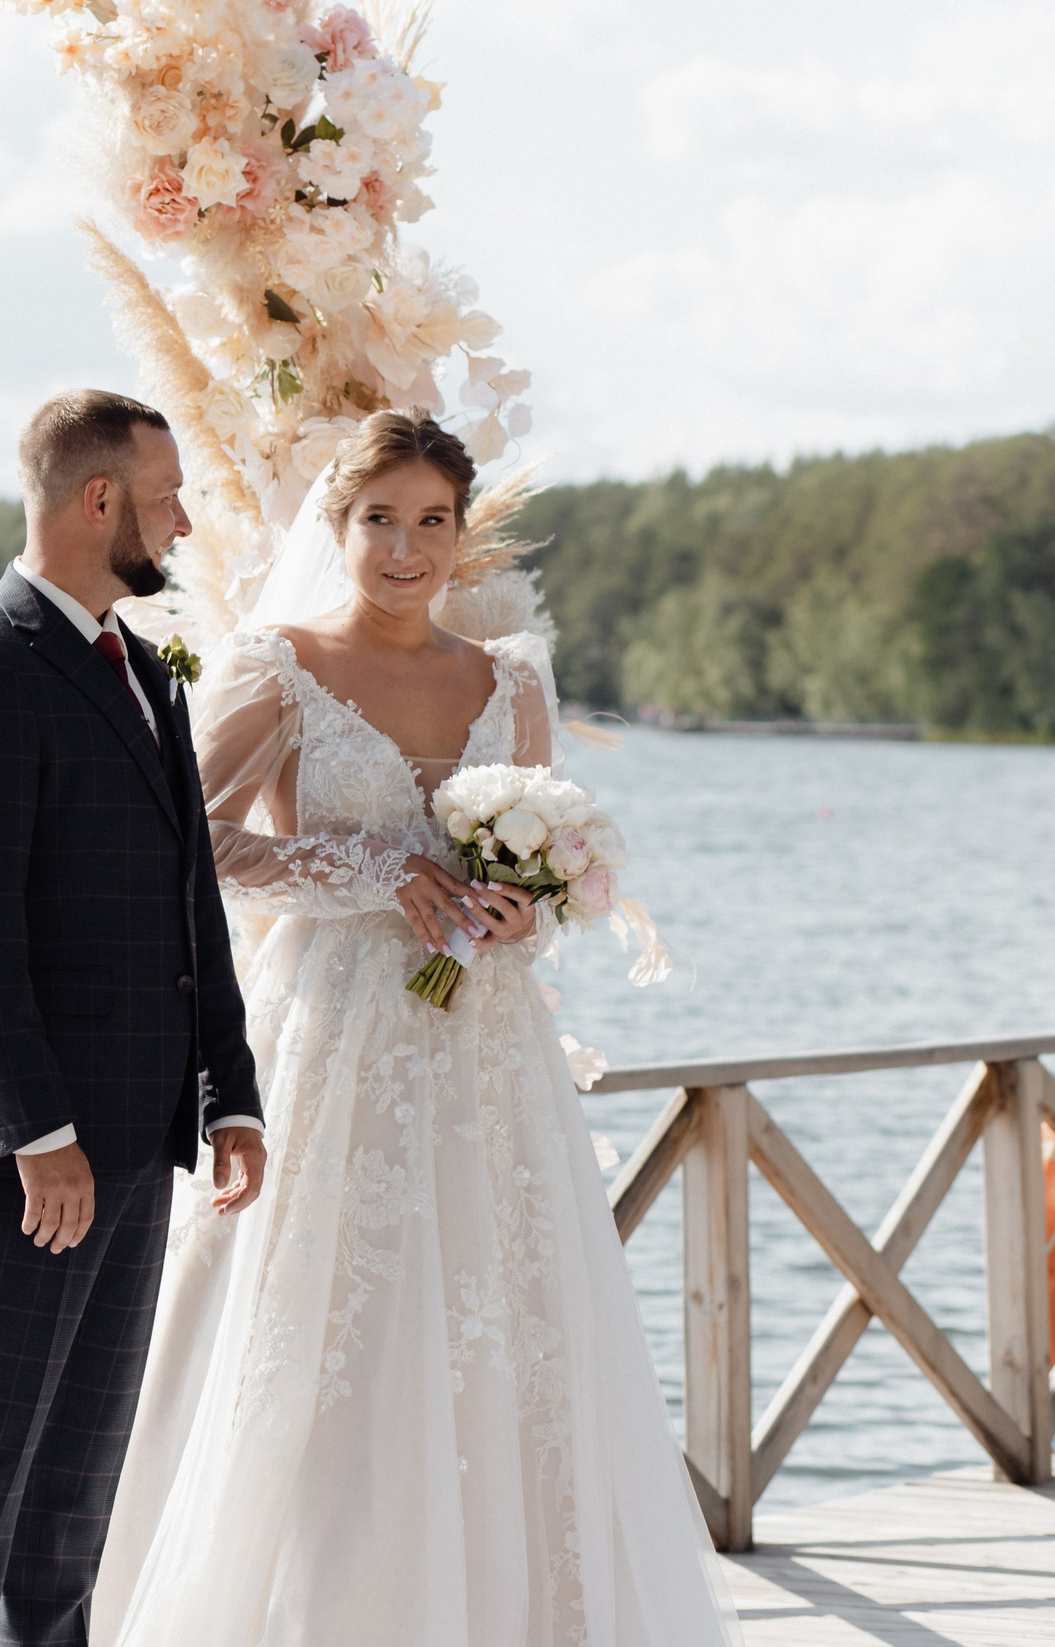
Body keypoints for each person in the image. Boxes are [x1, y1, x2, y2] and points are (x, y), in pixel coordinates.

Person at [93, 411, 739, 1646]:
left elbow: (541, 872)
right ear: (336, 526)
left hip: (488, 1056)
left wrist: (516, 914)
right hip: (333, 1039)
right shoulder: (275, 664)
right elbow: (190, 839)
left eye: (430, 520)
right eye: (379, 518)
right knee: (334, 1329)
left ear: (459, 532)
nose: (405, 545)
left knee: (509, 1326)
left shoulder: (510, 681)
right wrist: (366, 868)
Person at [0, 390, 267, 1647]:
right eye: (165, 497)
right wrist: (38, 1126)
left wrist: (230, 1089)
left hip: (135, 1141)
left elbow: (190, 906)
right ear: (97, 499)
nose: (182, 521)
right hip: (28, 1156)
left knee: (73, 1495)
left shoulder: (146, 670)